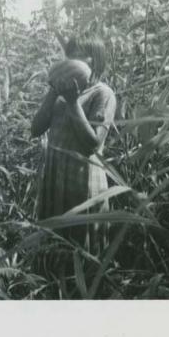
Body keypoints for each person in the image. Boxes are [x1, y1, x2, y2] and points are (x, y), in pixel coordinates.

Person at [31, 34, 116, 249]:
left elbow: (93, 144)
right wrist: (53, 91)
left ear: (94, 61)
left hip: (82, 179)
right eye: (69, 56)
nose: (70, 61)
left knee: (81, 246)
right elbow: (36, 129)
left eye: (78, 56)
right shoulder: (60, 92)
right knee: (54, 245)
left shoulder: (103, 94)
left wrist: (72, 102)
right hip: (56, 177)